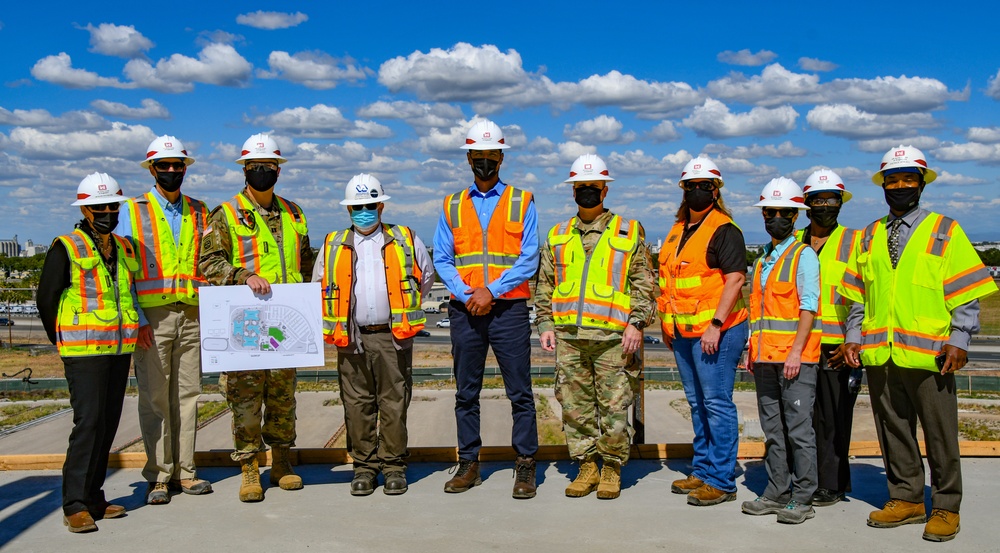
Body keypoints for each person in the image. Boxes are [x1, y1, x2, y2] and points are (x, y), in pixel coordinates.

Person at [839, 145, 998, 542]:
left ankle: (946, 506)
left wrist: (960, 340)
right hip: (881, 353)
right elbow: (857, 295)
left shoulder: (945, 230)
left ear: (922, 184)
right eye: (892, 180)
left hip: (932, 354)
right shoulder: (869, 235)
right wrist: (853, 337)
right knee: (893, 428)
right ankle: (907, 499)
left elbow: (965, 292)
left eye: (908, 179)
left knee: (940, 431)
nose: (900, 186)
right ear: (883, 186)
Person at [199, 133, 314, 502]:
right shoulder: (227, 214)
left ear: (278, 170)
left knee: (283, 397)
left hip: (287, 321)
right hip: (247, 320)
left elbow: (307, 263)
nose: (262, 172)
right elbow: (208, 262)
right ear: (245, 170)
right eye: (255, 167)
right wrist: (243, 276)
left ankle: (281, 462)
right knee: (246, 399)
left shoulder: (294, 212)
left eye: (269, 166)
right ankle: (249, 467)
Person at [534, 154, 656, 500]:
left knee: (615, 407)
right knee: (575, 407)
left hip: (613, 338)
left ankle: (612, 468)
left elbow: (644, 283)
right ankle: (587, 466)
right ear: (573, 191)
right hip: (570, 338)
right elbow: (545, 283)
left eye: (593, 186)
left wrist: (636, 324)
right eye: (581, 187)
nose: (587, 191)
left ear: (605, 189)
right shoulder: (558, 235)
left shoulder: (628, 231)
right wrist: (544, 321)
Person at [433, 120, 540, 499]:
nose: (484, 163)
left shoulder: (522, 200)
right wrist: (467, 294)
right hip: (466, 310)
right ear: (468, 158)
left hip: (508, 310)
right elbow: (443, 258)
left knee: (520, 392)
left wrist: (490, 291)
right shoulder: (452, 204)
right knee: (466, 392)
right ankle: (469, 462)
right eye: (478, 157)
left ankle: (525, 465)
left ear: (501, 157)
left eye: (490, 156)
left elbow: (529, 259)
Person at [313, 174, 435, 496]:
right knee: (357, 404)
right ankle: (364, 467)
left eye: (369, 205)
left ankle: (394, 465)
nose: (363, 211)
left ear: (381, 205)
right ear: (348, 210)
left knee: (394, 403)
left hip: (391, 337)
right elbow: (318, 286)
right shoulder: (332, 244)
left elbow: (426, 277)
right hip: (352, 337)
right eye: (356, 206)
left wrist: (399, 309)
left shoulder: (405, 238)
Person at [38, 173, 138, 533]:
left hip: (117, 348)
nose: (108, 211)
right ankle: (75, 504)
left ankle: (95, 497)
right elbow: (46, 298)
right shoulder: (66, 246)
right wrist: (62, 339)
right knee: (89, 423)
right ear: (84, 208)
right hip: (83, 352)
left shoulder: (123, 248)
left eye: (113, 205)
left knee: (108, 423)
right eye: (100, 207)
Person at [119, 135, 212, 505]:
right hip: (152, 317)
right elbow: (122, 270)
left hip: (192, 313)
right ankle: (159, 475)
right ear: (153, 169)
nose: (172, 171)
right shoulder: (131, 210)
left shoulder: (200, 210)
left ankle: (186, 473)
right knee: (155, 397)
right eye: (165, 166)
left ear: (185, 169)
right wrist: (137, 318)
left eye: (178, 166)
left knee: (188, 395)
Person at [657, 157, 749, 506]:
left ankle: (722, 480)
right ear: (684, 190)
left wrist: (715, 325)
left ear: (716, 190)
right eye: (692, 186)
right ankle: (704, 468)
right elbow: (672, 281)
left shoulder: (725, 229)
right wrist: (669, 324)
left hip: (716, 332)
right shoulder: (679, 228)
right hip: (683, 332)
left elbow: (735, 279)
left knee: (716, 403)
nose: (698, 191)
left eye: (705, 186)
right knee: (697, 403)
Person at [741, 177, 821, 525]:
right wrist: (750, 348)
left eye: (783, 212)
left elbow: (808, 307)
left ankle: (802, 498)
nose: (776, 217)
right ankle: (776, 491)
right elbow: (759, 313)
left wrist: (796, 353)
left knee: (799, 431)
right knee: (773, 431)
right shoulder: (762, 261)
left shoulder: (803, 256)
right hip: (764, 359)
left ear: (796, 216)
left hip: (794, 361)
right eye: (770, 212)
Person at [794, 169, 861, 507]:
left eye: (831, 200)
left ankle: (832, 484)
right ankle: (806, 477)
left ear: (840, 203)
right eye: (818, 200)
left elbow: (865, 295)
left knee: (833, 418)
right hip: (800, 344)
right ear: (806, 204)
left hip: (838, 345)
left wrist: (854, 340)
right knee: (801, 415)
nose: (824, 206)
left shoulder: (856, 240)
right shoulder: (795, 241)